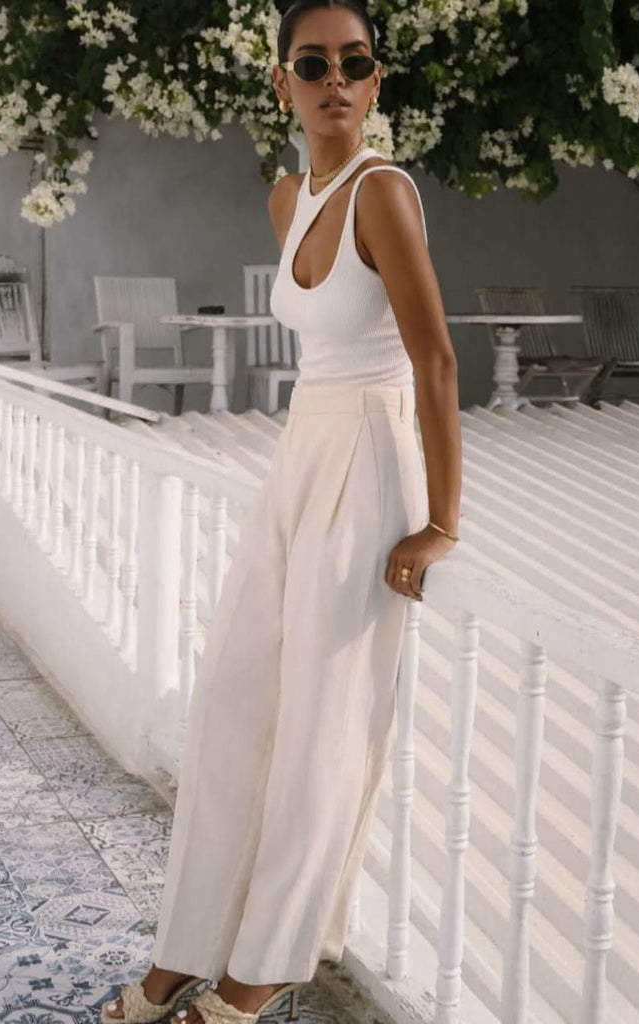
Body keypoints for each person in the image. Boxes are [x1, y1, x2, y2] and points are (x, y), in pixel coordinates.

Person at [102, 0, 462, 1021]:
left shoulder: (385, 192)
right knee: (232, 705)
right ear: (283, 85)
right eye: (314, 63)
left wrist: (442, 520)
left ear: (376, 81)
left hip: (372, 456)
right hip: (302, 451)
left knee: (321, 726)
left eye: (356, 63)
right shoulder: (287, 196)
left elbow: (435, 359)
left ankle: (258, 972)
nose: (336, 79)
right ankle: (186, 947)